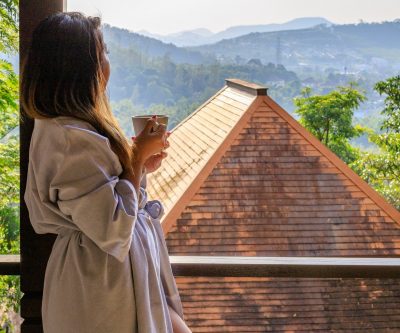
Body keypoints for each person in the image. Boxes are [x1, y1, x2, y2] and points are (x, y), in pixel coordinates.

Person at [21, 11, 192, 333]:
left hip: (111, 272)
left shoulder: (66, 130)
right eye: (103, 53)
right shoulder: (73, 139)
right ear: (83, 69)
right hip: (103, 280)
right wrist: (137, 159)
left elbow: (107, 202)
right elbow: (112, 227)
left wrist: (138, 167)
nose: (107, 62)